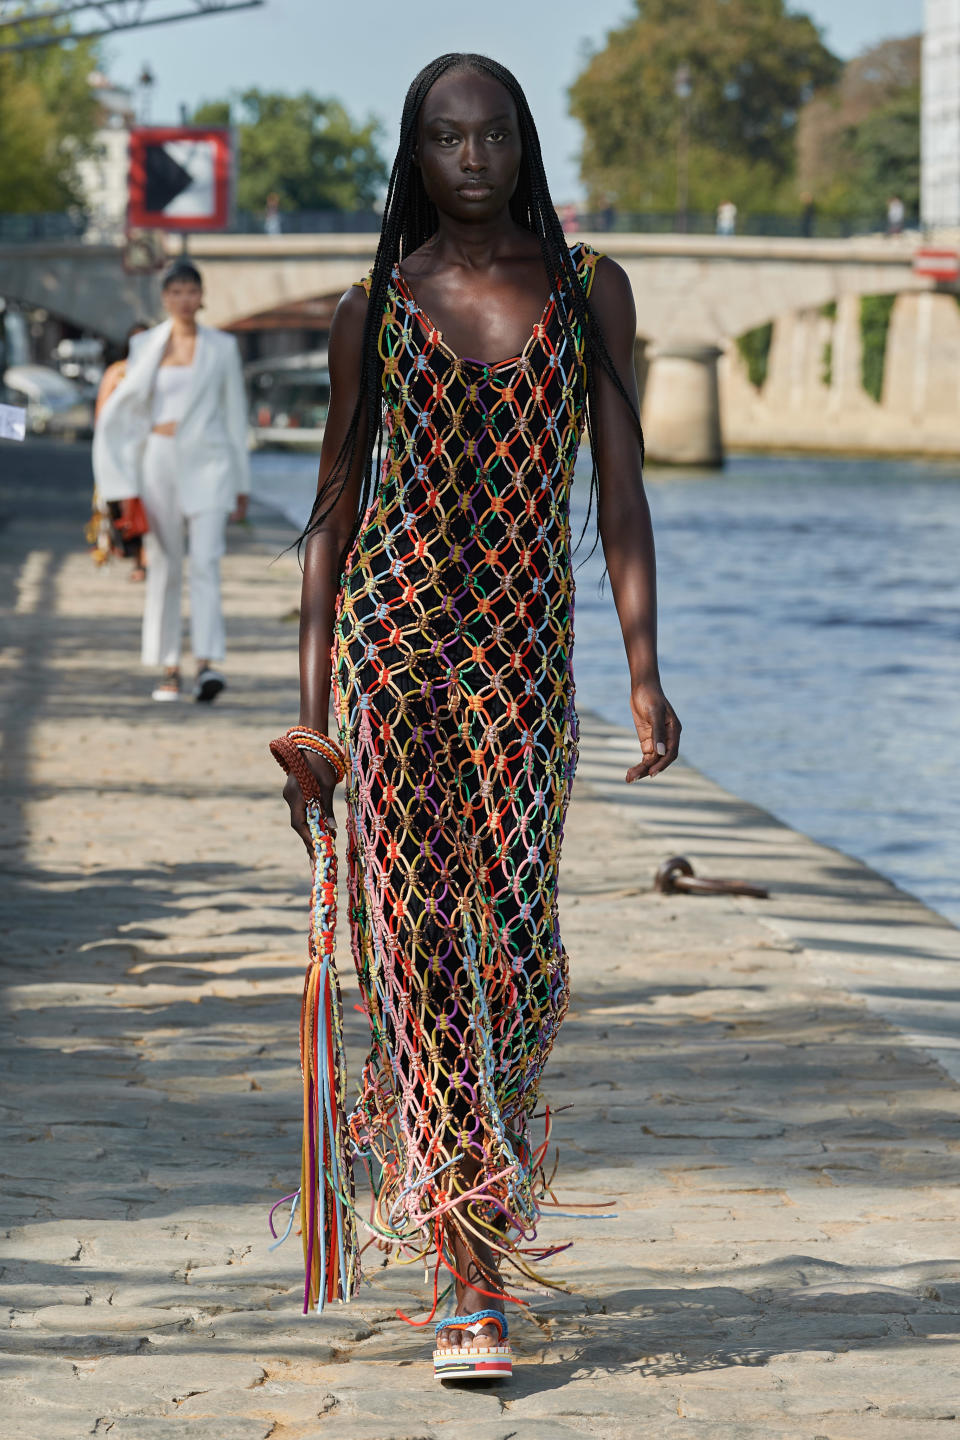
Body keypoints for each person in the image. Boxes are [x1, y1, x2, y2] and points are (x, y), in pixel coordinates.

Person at [281, 52, 680, 1378]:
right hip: (396, 660)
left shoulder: (587, 293)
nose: (471, 160)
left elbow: (619, 491)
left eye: (494, 136)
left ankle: (473, 1173)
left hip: (525, 673)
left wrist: (644, 668)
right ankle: (468, 1277)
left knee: (516, 954)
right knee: (413, 956)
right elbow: (333, 516)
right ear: (413, 155)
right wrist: (310, 723)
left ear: (524, 148)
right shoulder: (374, 311)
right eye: (447, 140)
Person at [93, 260, 250, 703]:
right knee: (163, 565)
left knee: (206, 562)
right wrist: (121, 485)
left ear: (201, 296)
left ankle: (206, 664)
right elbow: (126, 412)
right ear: (165, 297)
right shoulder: (145, 345)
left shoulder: (222, 346)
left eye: (191, 290)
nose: (184, 299)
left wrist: (241, 482)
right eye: (175, 291)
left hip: (211, 464)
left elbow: (235, 414)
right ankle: (168, 666)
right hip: (157, 461)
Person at [91, 321, 149, 580]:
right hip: (120, 452)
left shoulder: (161, 371)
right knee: (124, 506)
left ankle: (144, 562)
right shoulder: (117, 372)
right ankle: (133, 555)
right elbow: (102, 413)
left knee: (148, 508)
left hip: (151, 451)